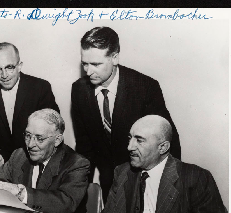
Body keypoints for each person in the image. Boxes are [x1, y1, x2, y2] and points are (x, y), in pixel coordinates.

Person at [71, 26, 181, 201]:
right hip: (109, 183)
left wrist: (169, 189)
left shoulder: (145, 87)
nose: (88, 71)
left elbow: (168, 140)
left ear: (114, 57)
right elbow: (85, 148)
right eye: (85, 63)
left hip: (144, 180)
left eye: (96, 64)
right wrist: (78, 197)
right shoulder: (79, 90)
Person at [98, 115, 229, 213]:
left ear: (163, 147)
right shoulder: (122, 172)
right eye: (130, 138)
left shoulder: (196, 178)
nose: (130, 147)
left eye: (139, 140)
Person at [0, 109, 90, 213]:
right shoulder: (19, 155)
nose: (30, 144)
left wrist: (19, 192)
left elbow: (66, 203)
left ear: (57, 140)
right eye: (28, 136)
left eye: (39, 138)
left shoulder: (76, 163)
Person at [0, 42, 59, 162]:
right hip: (0, 163)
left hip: (34, 162)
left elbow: (53, 133)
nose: (4, 75)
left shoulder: (40, 88)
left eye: (9, 67)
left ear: (19, 66)